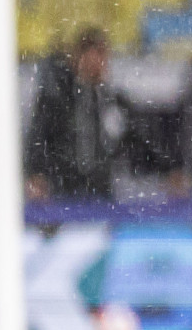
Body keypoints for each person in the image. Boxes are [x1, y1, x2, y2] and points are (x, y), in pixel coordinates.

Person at [25, 27, 121, 201]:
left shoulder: (109, 98)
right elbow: (38, 136)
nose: (102, 62)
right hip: (62, 187)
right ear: (81, 56)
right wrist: (36, 173)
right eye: (98, 54)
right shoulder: (56, 94)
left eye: (105, 55)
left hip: (101, 189)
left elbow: (126, 135)